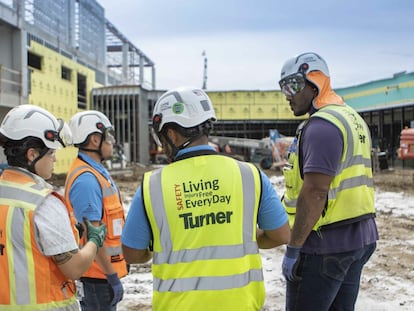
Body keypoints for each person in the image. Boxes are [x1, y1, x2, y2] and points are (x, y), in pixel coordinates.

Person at [121, 86, 291, 310]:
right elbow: (281, 234)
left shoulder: (152, 185)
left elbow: (132, 253)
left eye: (163, 137)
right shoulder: (249, 174)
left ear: (171, 134)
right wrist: (239, 235)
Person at [278, 52, 379, 310]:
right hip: (359, 237)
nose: (288, 95)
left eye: (292, 85)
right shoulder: (352, 118)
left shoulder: (322, 126)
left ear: (314, 83)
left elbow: (315, 192)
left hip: (324, 245)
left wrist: (294, 248)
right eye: (284, 88)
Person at [0, 104, 107, 310]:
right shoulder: (43, 203)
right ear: (32, 154)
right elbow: (74, 268)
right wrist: (94, 240)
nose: (55, 159)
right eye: (50, 153)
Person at [64, 111, 128, 310]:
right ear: (94, 139)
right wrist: (111, 275)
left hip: (102, 274)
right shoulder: (86, 180)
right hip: (97, 278)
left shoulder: (95, 171)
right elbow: (94, 234)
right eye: (108, 136)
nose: (112, 141)